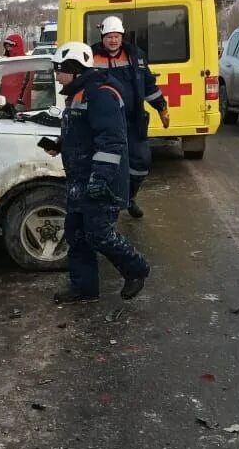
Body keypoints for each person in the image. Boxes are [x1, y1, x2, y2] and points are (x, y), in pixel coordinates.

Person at [46, 41, 149, 304]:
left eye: (59, 69)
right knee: (76, 233)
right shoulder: (78, 94)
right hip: (80, 179)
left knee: (99, 234)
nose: (57, 75)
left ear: (74, 69)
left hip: (100, 181)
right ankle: (85, 288)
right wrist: (60, 145)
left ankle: (136, 269)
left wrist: (100, 178)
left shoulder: (101, 94)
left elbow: (111, 141)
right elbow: (85, 134)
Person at [92, 16, 168, 219]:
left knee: (141, 162)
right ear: (103, 37)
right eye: (109, 37)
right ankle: (111, 205)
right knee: (108, 165)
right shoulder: (92, 57)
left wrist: (161, 108)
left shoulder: (136, 56)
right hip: (105, 123)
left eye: (116, 36)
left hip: (134, 121)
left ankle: (130, 198)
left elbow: (149, 85)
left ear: (122, 36)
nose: (113, 40)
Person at [0, 32, 35, 111]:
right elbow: (2, 83)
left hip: (18, 103)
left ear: (17, 45)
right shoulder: (7, 62)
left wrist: (21, 101)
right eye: (6, 47)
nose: (8, 49)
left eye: (10, 46)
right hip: (5, 101)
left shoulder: (26, 62)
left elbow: (27, 84)